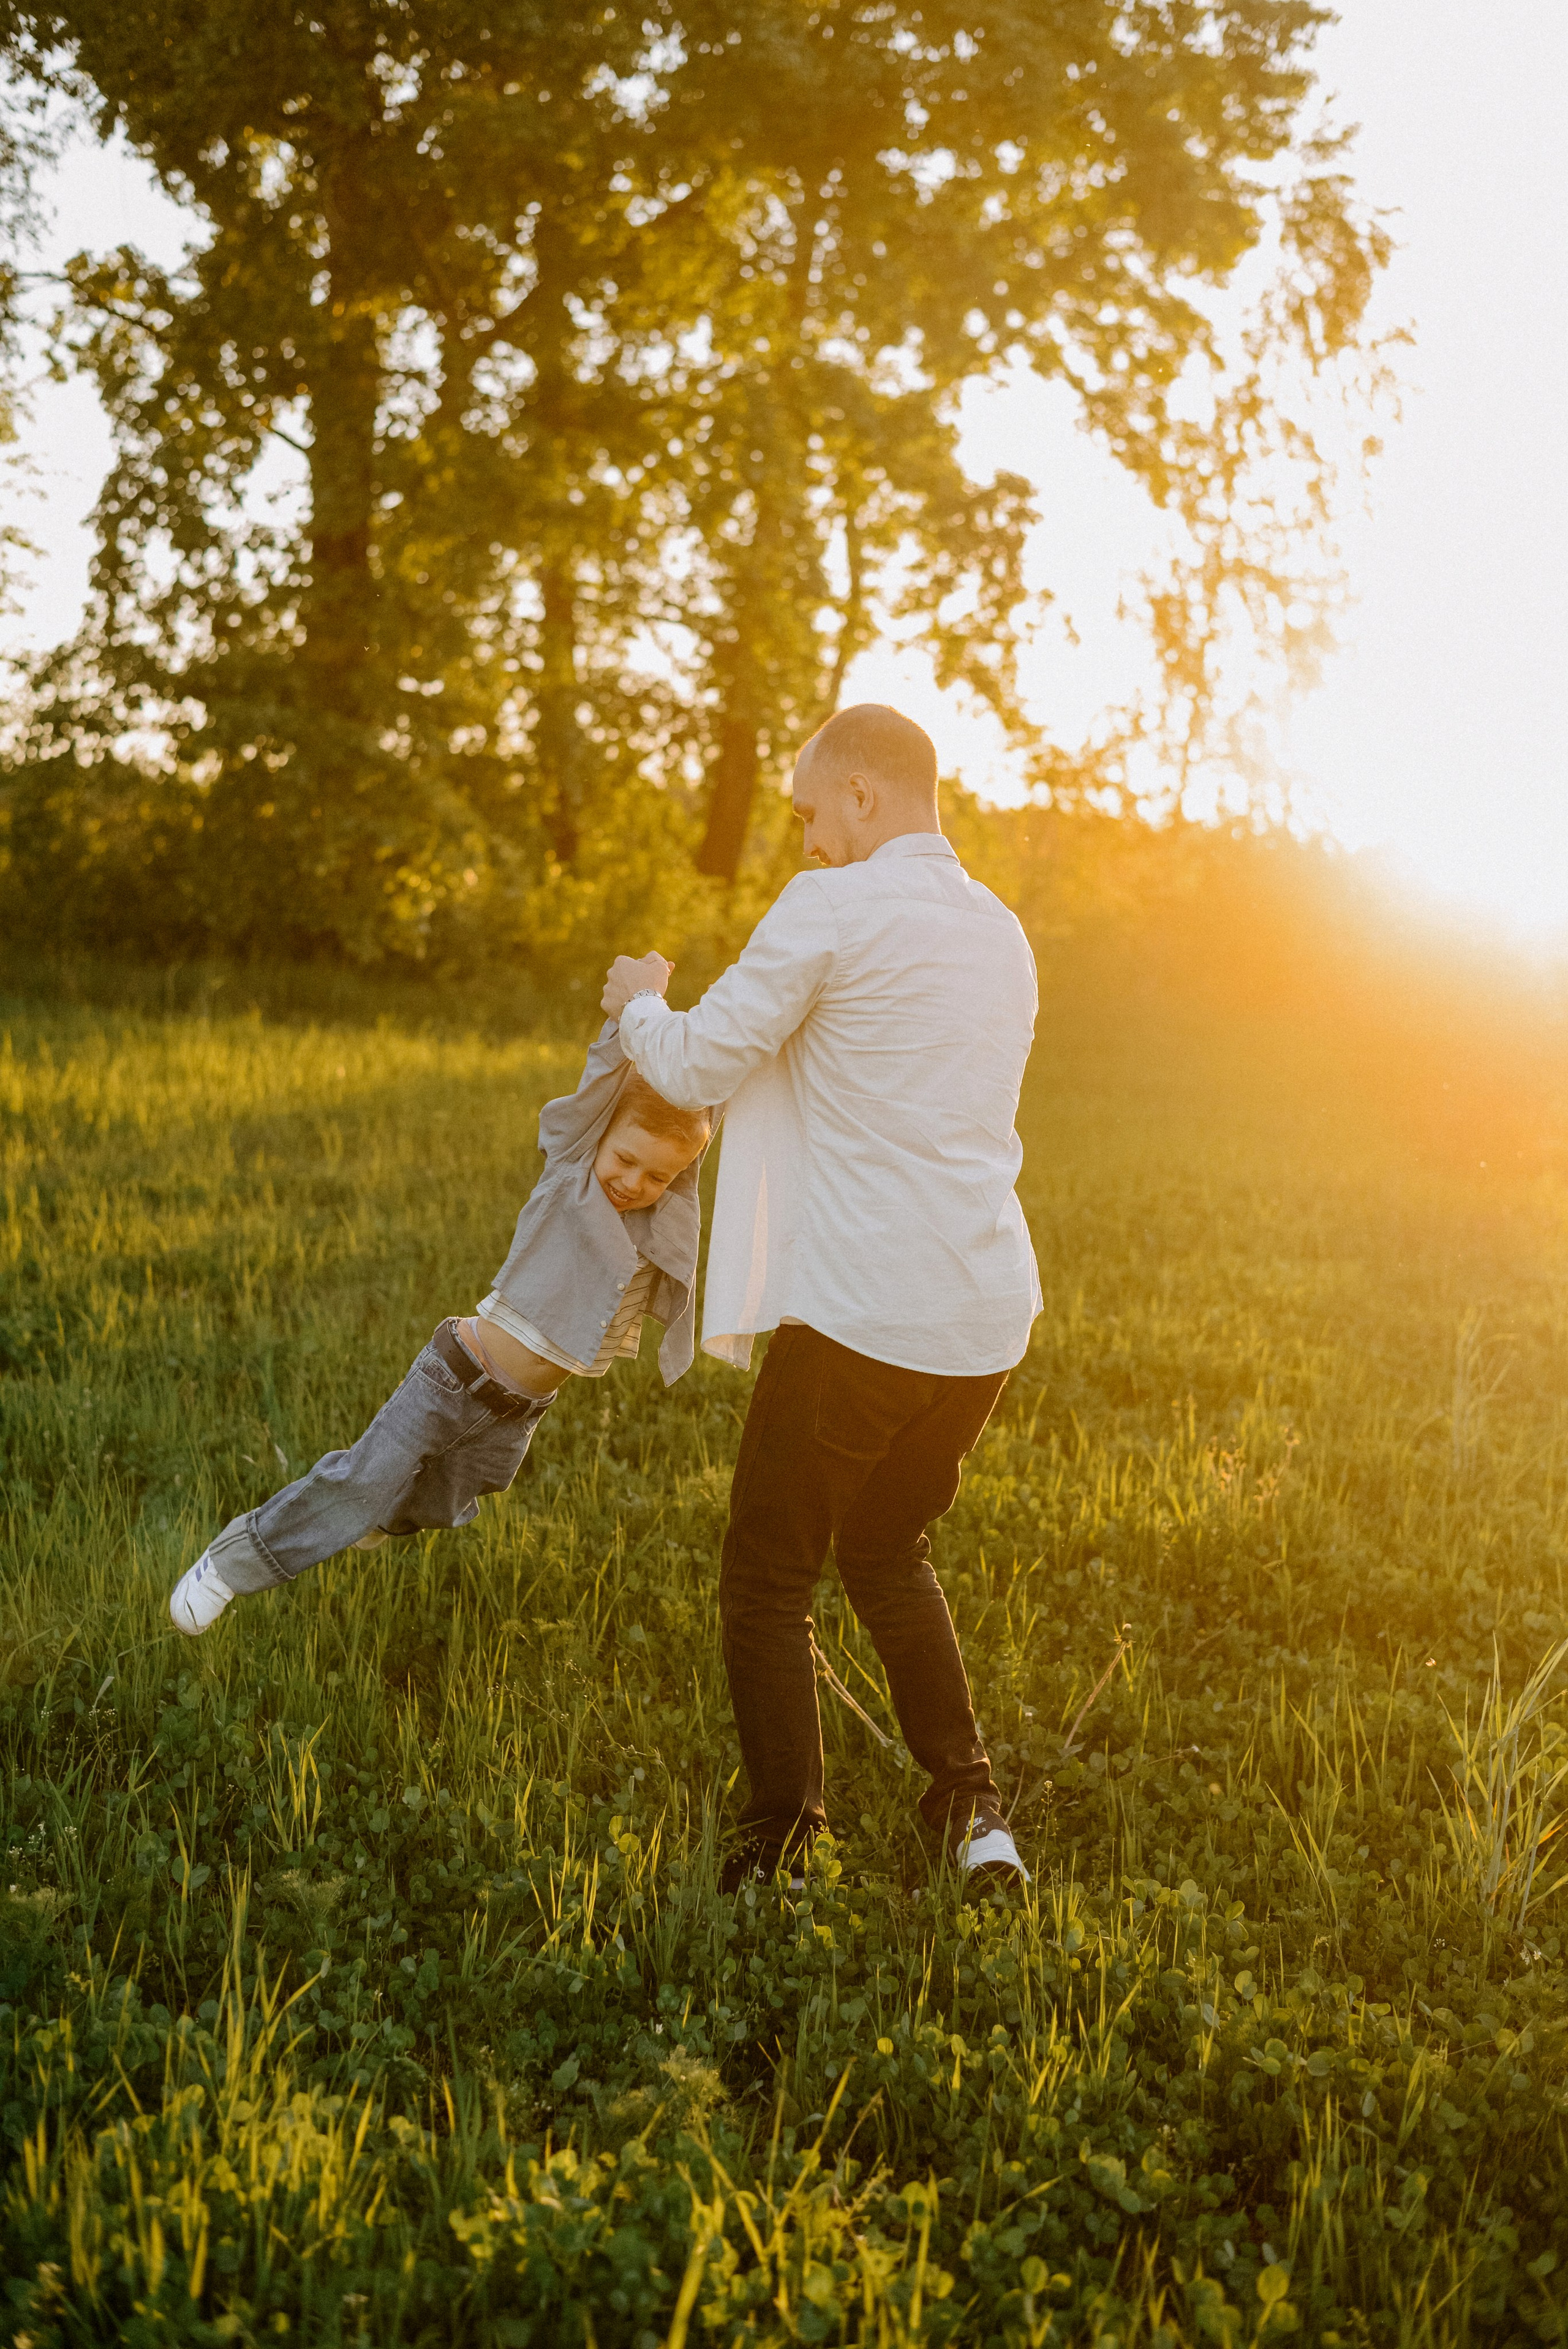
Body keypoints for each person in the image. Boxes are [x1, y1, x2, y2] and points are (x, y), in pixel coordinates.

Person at [602, 702, 1041, 1891]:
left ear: (862, 793)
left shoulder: (833, 908)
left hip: (865, 1315)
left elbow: (692, 1062)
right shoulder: (999, 931)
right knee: (888, 1545)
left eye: (806, 813)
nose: (801, 842)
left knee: (766, 1573)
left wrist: (633, 1000)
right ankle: (973, 1814)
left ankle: (784, 1846)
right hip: (983, 1317)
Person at [168, 1026, 715, 1635]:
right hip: (454, 1376)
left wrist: (723, 1057)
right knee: (360, 1483)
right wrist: (631, 1016)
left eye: (658, 1177)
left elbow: (695, 1141)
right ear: (598, 1139)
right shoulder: (572, 1176)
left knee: (447, 1503)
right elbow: (596, 1093)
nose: (635, 1182)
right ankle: (233, 1563)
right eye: (625, 1159)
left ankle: (378, 1514)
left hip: (517, 1411)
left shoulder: (656, 1219)